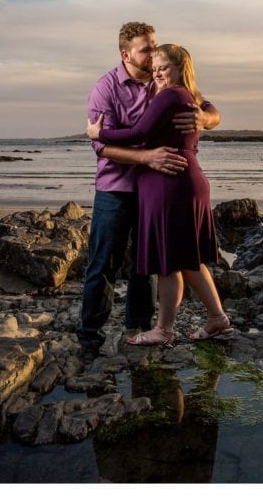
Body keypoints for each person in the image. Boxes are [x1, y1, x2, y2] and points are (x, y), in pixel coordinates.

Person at [77, 23, 220, 362]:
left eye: (155, 46)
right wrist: (145, 157)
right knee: (103, 263)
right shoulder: (106, 88)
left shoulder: (165, 82)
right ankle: (89, 336)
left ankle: (140, 327)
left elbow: (209, 109)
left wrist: (204, 117)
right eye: (146, 49)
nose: (153, 53)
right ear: (125, 54)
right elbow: (101, 146)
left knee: (148, 264)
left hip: (153, 191)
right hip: (115, 188)